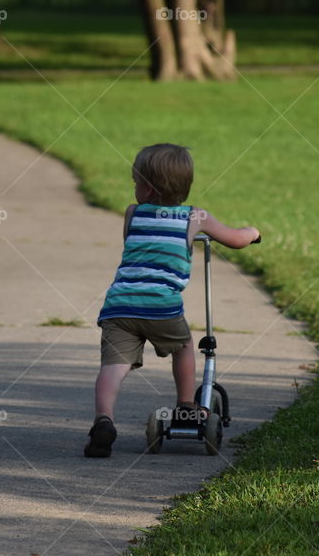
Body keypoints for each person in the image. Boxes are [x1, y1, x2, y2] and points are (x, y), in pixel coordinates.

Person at [84, 143, 259, 458]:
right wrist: (252, 231)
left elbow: (136, 243)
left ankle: (104, 419)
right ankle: (186, 406)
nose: (133, 189)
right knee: (183, 347)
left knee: (113, 366)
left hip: (119, 305)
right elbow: (235, 240)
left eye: (135, 182)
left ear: (148, 190)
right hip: (161, 305)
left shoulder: (132, 213)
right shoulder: (195, 216)